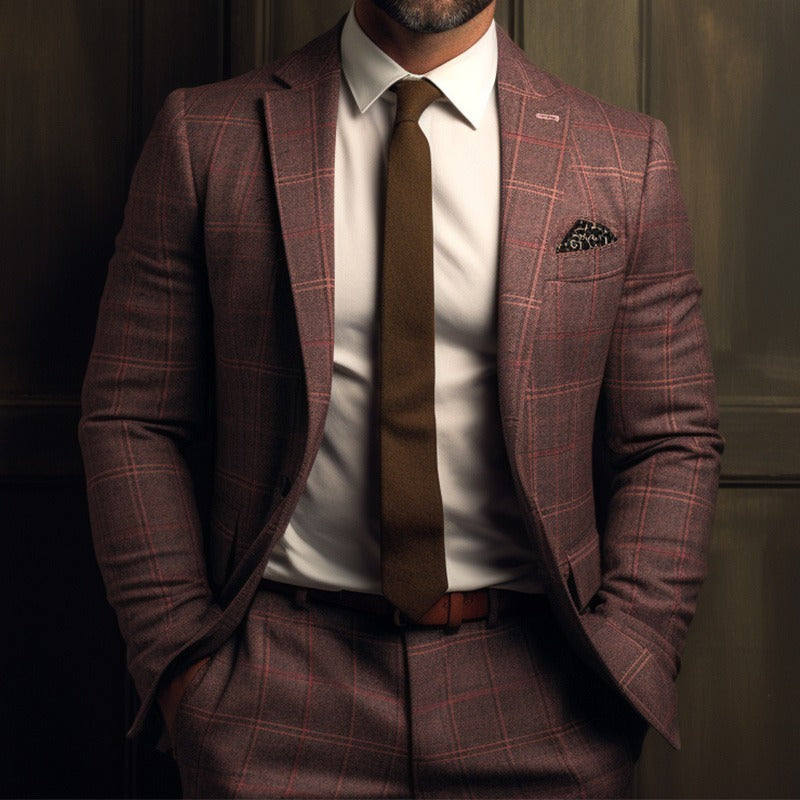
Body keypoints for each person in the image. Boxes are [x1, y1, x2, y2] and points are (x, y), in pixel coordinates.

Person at [79, 0, 724, 796]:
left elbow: (671, 437)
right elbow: (131, 415)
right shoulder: (205, 137)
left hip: (546, 700)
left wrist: (633, 648)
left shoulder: (624, 157)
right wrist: (182, 667)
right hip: (274, 699)